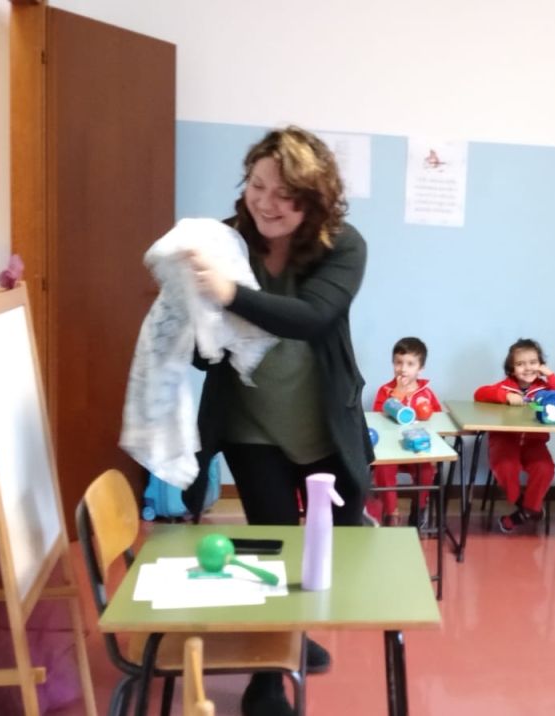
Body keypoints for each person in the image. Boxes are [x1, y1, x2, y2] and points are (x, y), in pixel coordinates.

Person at [185, 126, 372, 716]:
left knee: (329, 546)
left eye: (285, 194)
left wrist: (226, 294)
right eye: (257, 185)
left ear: (314, 200)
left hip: (322, 422)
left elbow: (313, 317)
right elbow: (200, 349)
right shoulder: (226, 240)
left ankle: (295, 631)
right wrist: (190, 310)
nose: (266, 203)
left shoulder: (344, 245)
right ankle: (266, 679)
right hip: (251, 423)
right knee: (273, 545)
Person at [473, 338, 555, 532]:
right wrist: (505, 396)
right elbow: (480, 393)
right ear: (511, 368)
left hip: (534, 443)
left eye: (533, 362)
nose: (528, 368)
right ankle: (527, 506)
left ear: (540, 365)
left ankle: (525, 511)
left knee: (545, 468)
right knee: (506, 466)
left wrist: (551, 375)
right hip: (504, 441)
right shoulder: (504, 387)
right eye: (521, 364)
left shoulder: (545, 389)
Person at [371, 336, 442, 527]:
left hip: (416, 450)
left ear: (420, 369)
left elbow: (437, 420)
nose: (403, 369)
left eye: (410, 364)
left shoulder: (427, 394)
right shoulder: (385, 391)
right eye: (398, 362)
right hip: (390, 449)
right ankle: (391, 512)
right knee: (382, 470)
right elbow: (377, 418)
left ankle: (418, 509)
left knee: (426, 471)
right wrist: (396, 396)